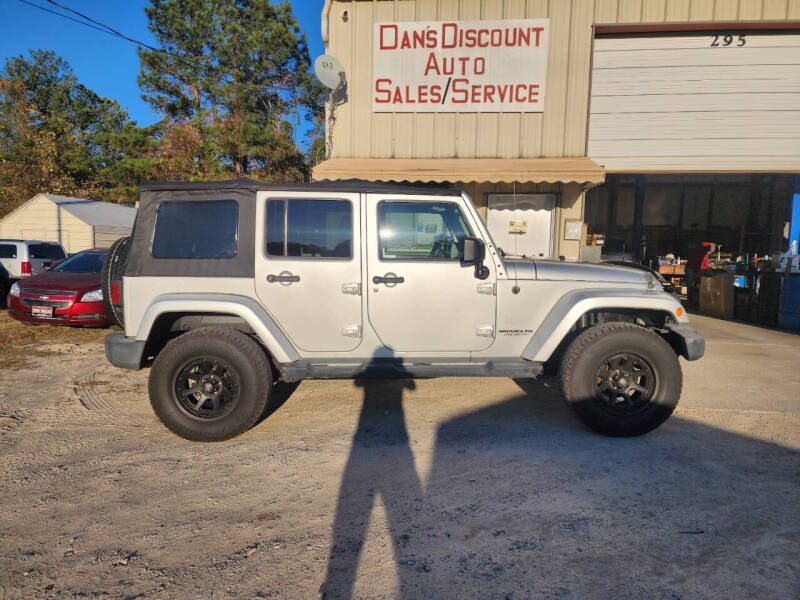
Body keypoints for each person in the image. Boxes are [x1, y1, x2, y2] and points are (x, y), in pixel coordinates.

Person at [685, 241, 712, 308]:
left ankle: (696, 300)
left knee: (697, 284)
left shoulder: (706, 254)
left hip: (697, 269)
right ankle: (689, 301)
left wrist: (706, 268)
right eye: (709, 252)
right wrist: (698, 273)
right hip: (690, 268)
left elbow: (705, 263)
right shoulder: (700, 253)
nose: (709, 253)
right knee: (690, 283)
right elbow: (699, 264)